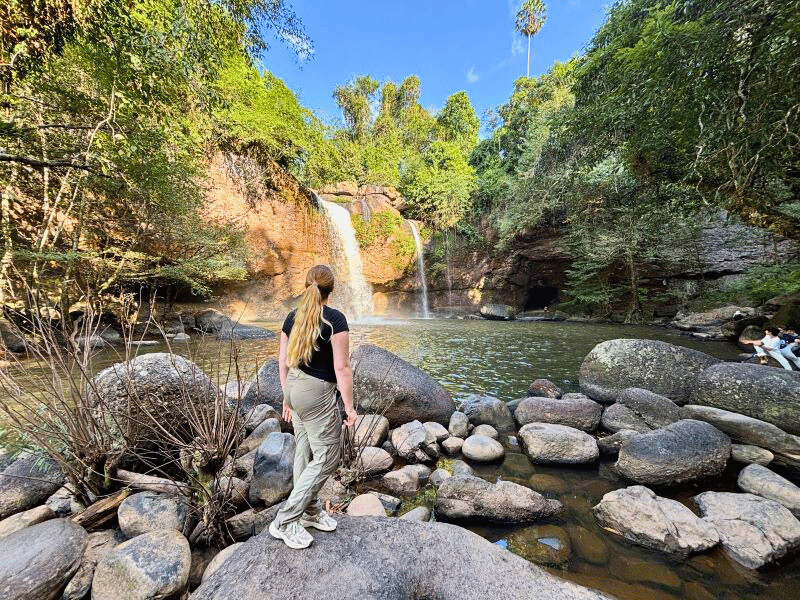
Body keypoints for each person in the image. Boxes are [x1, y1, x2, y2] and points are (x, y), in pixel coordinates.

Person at [269, 264, 358, 549]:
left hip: (294, 386)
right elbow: (342, 368)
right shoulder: (334, 319)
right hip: (317, 394)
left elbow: (282, 361)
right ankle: (286, 520)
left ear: (306, 285)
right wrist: (349, 406)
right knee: (327, 457)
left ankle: (308, 511)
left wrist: (286, 396)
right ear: (332, 290)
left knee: (304, 452)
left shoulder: (291, 317)